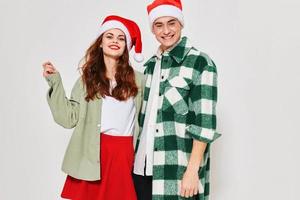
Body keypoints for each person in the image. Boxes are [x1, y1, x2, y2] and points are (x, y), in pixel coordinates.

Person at [42, 15, 145, 200]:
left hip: (123, 155)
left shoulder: (139, 80)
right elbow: (68, 118)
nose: (115, 41)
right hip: (93, 152)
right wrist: (55, 83)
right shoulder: (87, 80)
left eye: (121, 38)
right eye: (109, 36)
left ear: (127, 46)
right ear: (100, 42)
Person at [132, 0, 221, 199]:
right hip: (142, 170)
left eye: (171, 23)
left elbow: (204, 125)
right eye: (158, 25)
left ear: (181, 23)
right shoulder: (150, 66)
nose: (166, 30)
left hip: (177, 172)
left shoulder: (200, 62)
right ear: (153, 30)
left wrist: (192, 171)